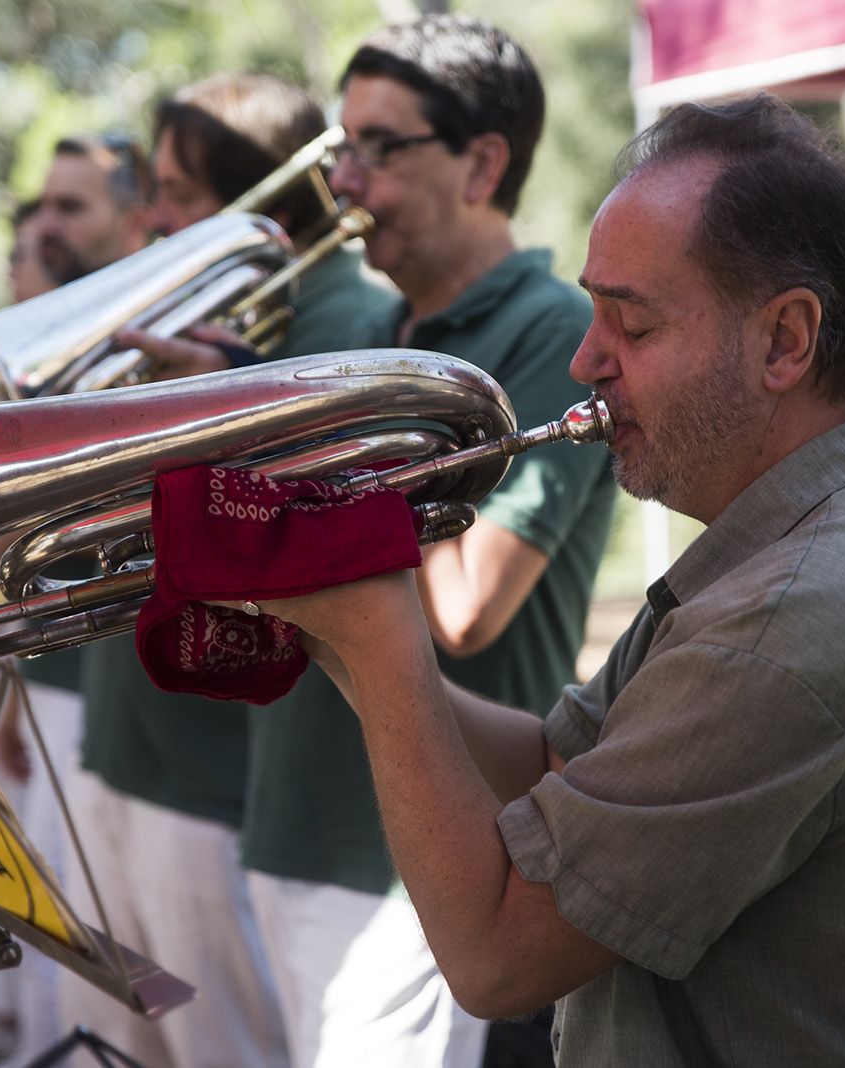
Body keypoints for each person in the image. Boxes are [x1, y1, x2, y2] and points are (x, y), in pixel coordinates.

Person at [216, 94, 845, 1064]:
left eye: (632, 325)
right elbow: (556, 764)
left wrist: (377, 633)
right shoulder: (835, 508)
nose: (584, 359)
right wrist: (331, 632)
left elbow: (491, 960)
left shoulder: (797, 612)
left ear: (785, 340)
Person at [233, 16, 616, 1068]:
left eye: (376, 149)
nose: (343, 183)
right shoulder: (370, 335)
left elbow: (463, 607)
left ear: (481, 162)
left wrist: (302, 467)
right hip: (287, 826)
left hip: (426, 867)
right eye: (339, 148)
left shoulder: (548, 333)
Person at [46, 73, 396, 1068]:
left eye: (180, 195)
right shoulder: (212, 307)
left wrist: (212, 404)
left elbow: (300, 537)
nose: (152, 217)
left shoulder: (340, 317)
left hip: (209, 772)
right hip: (128, 742)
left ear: (265, 204)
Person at [30, 132, 152, 285]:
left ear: (134, 225)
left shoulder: (182, 308)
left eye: (69, 208)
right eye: (43, 207)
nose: (46, 227)